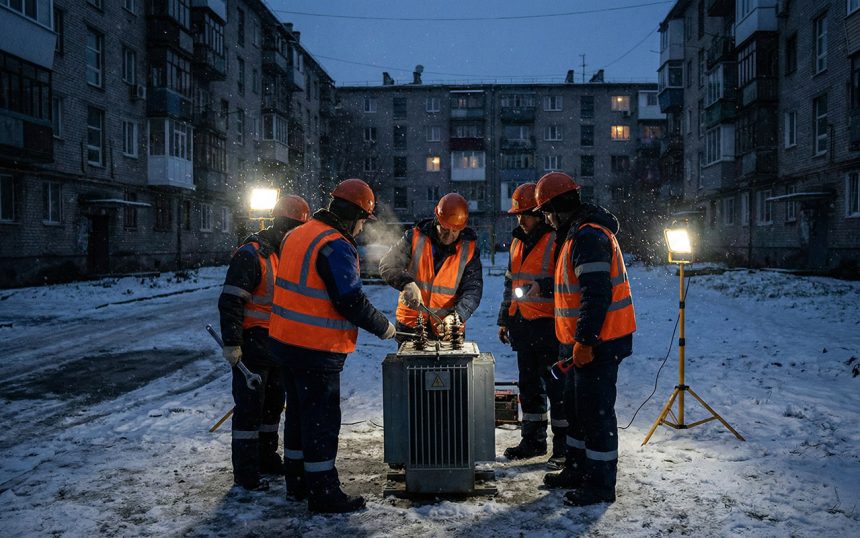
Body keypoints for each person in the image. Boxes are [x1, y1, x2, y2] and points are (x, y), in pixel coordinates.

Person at [268, 179, 397, 514]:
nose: (362, 227)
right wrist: (384, 327)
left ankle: (297, 483)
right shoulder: (335, 244)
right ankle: (323, 491)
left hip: (285, 343)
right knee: (321, 422)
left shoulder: (298, 233)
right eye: (364, 220)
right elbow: (349, 299)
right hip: (316, 348)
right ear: (355, 215)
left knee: (297, 416)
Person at [534, 171, 636, 506]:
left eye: (546, 212)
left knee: (596, 414)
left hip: (598, 343)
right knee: (578, 410)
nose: (546, 220)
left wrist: (586, 341)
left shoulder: (588, 236)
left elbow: (596, 293)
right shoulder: (576, 235)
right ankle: (577, 469)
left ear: (558, 207)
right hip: (581, 342)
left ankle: (600, 485)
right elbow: (577, 287)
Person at [218, 194, 310, 491]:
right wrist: (232, 343)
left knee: (272, 407)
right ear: (283, 226)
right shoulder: (252, 254)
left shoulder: (285, 254)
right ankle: (246, 473)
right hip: (252, 344)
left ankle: (266, 458)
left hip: (278, 344)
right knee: (249, 411)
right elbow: (231, 300)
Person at [497, 183, 567, 468]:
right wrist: (504, 319)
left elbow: (567, 281)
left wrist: (544, 288)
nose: (519, 220)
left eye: (524, 214)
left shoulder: (555, 240)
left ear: (539, 213)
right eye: (517, 215)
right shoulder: (517, 241)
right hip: (523, 325)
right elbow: (509, 282)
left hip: (549, 327)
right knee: (529, 386)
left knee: (556, 389)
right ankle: (533, 441)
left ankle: (563, 447)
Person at [379, 193, 483, 342]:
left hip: (448, 329)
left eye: (455, 231)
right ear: (437, 221)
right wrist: (406, 283)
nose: (449, 236)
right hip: (411, 325)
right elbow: (387, 265)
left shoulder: (470, 251)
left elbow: (473, 290)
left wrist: (457, 316)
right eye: (445, 229)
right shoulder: (414, 238)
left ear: (462, 227)